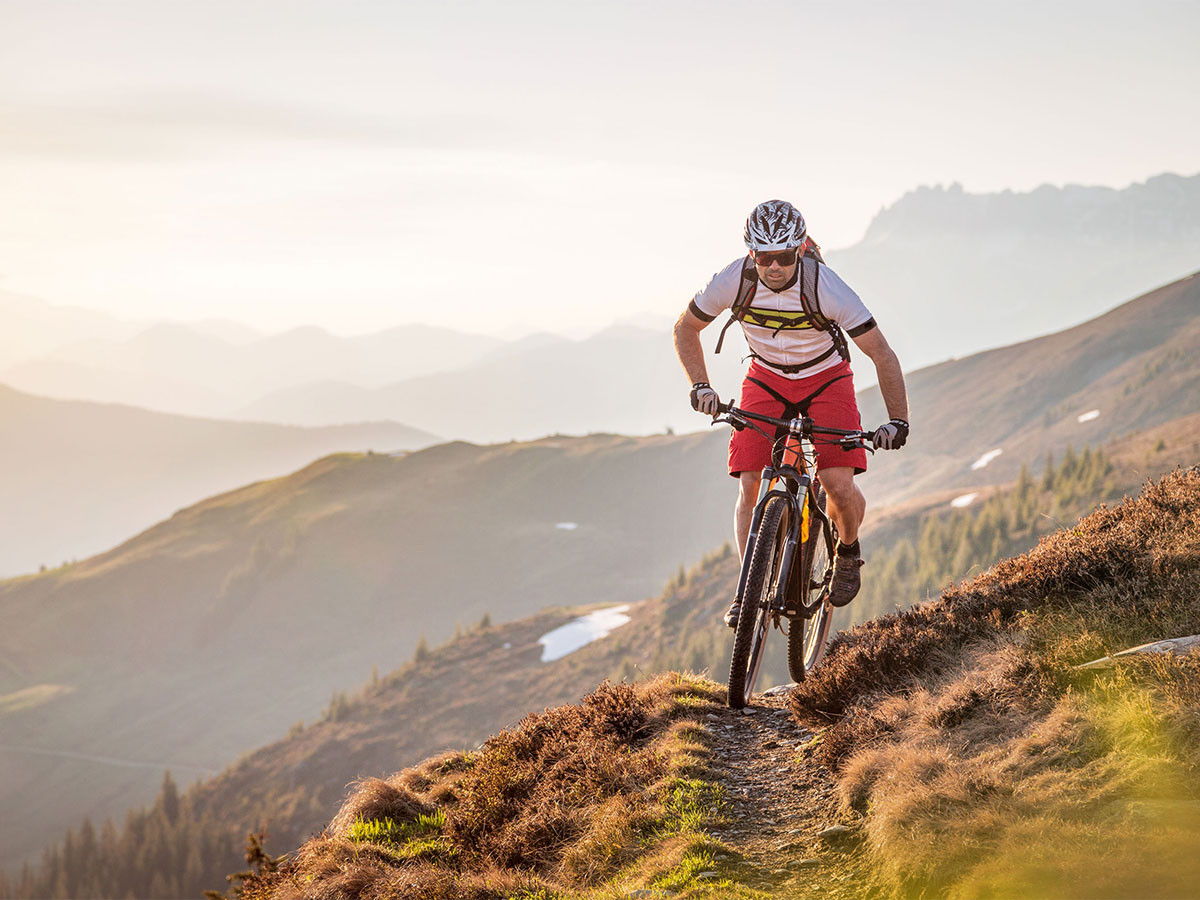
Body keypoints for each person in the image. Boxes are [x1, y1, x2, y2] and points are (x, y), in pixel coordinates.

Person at [673, 199, 909, 626]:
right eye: (765, 258)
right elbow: (685, 328)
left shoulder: (827, 287)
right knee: (749, 484)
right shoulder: (734, 280)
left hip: (826, 378)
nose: (775, 267)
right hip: (765, 378)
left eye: (784, 257)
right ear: (751, 253)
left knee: (836, 481)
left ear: (800, 250)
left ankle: (848, 550)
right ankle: (748, 590)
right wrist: (700, 384)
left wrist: (898, 420)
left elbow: (882, 354)